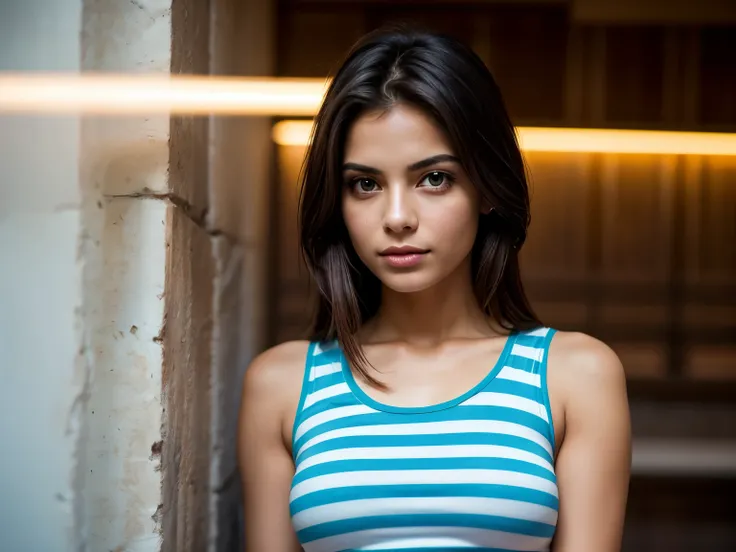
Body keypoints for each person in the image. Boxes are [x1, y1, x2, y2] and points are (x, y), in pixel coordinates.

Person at [238, 27, 631, 552]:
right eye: (366, 184)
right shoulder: (283, 384)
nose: (397, 218)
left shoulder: (575, 374)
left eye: (434, 179)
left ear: (487, 187)